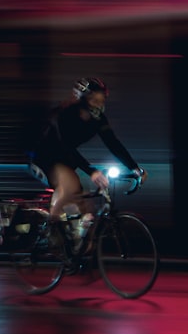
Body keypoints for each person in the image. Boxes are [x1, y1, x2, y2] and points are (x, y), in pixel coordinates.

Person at [28, 77, 147, 251]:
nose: (98, 104)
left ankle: (77, 252)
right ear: (82, 99)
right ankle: (50, 230)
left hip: (66, 160)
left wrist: (135, 168)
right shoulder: (66, 114)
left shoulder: (98, 119)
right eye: (94, 99)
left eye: (101, 100)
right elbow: (65, 145)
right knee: (69, 186)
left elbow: (113, 143)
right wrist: (91, 171)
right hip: (44, 158)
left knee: (86, 206)